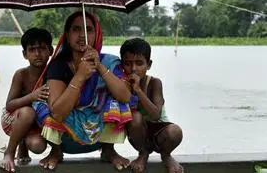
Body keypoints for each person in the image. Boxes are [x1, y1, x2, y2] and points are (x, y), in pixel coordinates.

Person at [32, 11, 135, 170]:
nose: (82, 35)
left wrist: (99, 66)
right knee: (45, 106)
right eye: (76, 29)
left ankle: (108, 150)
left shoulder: (109, 62)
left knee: (116, 102)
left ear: (96, 34)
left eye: (88, 30)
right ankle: (56, 151)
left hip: (98, 130)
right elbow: (58, 113)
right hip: (66, 135)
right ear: (67, 34)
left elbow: (125, 96)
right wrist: (79, 76)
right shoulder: (58, 65)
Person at [120, 38, 183, 173]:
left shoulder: (154, 83)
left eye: (139, 63)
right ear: (122, 65)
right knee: (135, 117)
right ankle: (143, 154)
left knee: (175, 131)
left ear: (148, 65)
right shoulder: (120, 85)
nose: (133, 69)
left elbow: (156, 115)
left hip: (159, 131)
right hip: (137, 134)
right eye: (127, 64)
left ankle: (166, 155)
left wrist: (138, 90)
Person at [0, 27, 54, 172]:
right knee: (28, 112)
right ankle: (9, 152)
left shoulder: (54, 74)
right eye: (32, 49)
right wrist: (32, 96)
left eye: (42, 48)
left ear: (51, 51)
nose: (38, 54)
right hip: (14, 118)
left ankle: (24, 142)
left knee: (38, 146)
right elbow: (10, 105)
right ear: (25, 54)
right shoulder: (21, 75)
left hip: (37, 120)